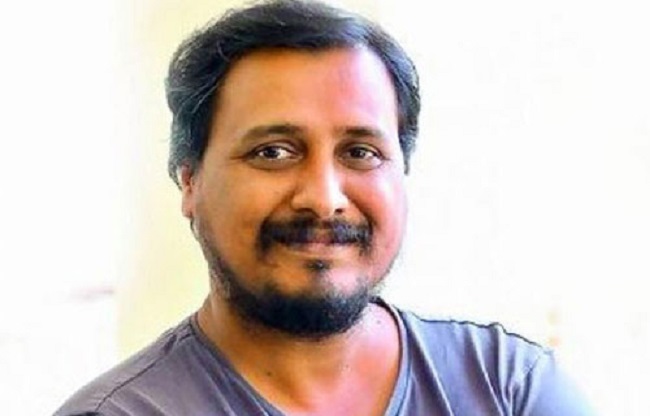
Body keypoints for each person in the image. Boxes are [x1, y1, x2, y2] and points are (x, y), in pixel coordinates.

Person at [55, 1, 594, 415]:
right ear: (190, 181)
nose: (323, 198)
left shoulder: (507, 389)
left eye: (360, 152)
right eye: (273, 152)